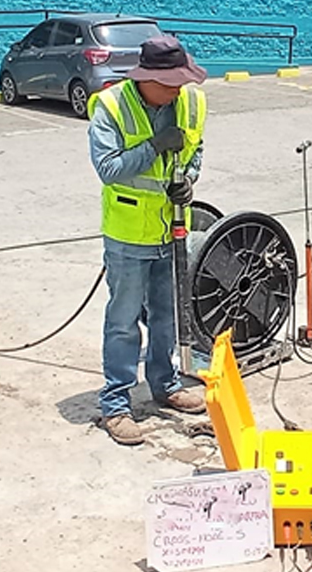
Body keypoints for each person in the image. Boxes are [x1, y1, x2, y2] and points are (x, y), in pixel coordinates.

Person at [88, 35, 209, 446]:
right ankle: (116, 405)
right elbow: (109, 168)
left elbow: (195, 149)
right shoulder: (110, 107)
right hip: (127, 233)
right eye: (170, 84)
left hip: (171, 227)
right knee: (123, 323)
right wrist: (155, 146)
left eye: (181, 82)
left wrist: (188, 180)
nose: (178, 91)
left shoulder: (190, 103)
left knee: (167, 315)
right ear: (144, 78)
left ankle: (166, 384)